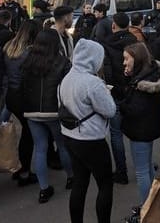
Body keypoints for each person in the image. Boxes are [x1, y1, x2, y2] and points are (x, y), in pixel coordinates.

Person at [60, 39, 117, 223]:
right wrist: (107, 94)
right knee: (105, 185)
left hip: (69, 135)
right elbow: (110, 110)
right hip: (91, 139)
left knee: (80, 183)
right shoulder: (93, 82)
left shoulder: (66, 78)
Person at [21, 29, 74, 203]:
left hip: (32, 111)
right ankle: (71, 178)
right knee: (62, 146)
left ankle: (44, 189)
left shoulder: (28, 60)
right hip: (54, 111)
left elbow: (21, 83)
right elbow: (68, 86)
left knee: (40, 148)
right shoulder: (62, 61)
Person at [120, 42, 160, 221]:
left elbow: (135, 108)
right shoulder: (152, 72)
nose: (124, 63)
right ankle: (150, 205)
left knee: (142, 171)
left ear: (138, 58)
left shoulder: (142, 83)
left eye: (127, 59)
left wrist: (119, 104)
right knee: (147, 167)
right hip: (150, 127)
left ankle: (147, 211)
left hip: (140, 130)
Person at [3, 20, 41, 185]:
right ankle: (23, 170)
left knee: (26, 132)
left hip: (11, 95)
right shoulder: (30, 52)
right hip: (24, 97)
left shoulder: (10, 47)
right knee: (29, 133)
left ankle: (20, 168)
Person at [101, 12, 137, 185]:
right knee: (137, 132)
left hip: (114, 92)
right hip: (133, 92)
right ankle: (143, 164)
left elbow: (106, 71)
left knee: (116, 134)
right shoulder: (135, 42)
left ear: (113, 25)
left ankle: (121, 171)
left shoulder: (106, 44)